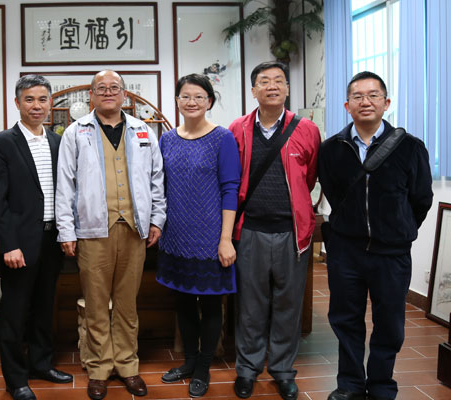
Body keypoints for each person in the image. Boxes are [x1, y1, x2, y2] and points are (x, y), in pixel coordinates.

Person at [318, 71, 433, 400]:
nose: (365, 102)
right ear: (347, 105)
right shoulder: (332, 149)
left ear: (386, 102)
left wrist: (398, 228)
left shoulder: (410, 148)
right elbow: (333, 194)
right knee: (345, 319)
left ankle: (382, 384)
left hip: (391, 252)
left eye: (373, 95)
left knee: (390, 323)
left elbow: (421, 199)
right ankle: (350, 384)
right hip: (346, 250)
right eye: (357, 96)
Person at [55, 70, 166, 400]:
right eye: (100, 88)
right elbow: (65, 185)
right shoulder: (76, 132)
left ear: (124, 95)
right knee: (96, 304)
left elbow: (156, 180)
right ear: (91, 95)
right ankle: (100, 368)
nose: (107, 92)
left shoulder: (143, 131)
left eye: (114, 88)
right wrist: (66, 230)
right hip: (92, 232)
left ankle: (128, 365)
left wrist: (157, 219)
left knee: (128, 304)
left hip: (134, 230)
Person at [229, 61, 320, 400]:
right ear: (253, 90)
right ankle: (247, 369)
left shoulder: (306, 129)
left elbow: (310, 176)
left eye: (279, 81)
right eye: (264, 81)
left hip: (291, 233)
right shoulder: (237, 128)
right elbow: (231, 179)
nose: (272, 86)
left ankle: (282, 371)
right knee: (250, 306)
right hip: (249, 231)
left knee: (288, 305)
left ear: (287, 89)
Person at [0, 75, 73, 400]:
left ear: (50, 103)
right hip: (19, 244)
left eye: (42, 99)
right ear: (17, 103)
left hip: (52, 239)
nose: (36, 106)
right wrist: (8, 244)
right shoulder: (1, 143)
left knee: (44, 306)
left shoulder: (58, 141)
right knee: (14, 312)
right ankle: (15, 379)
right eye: (29, 99)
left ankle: (41, 364)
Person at [156, 73, 241, 398]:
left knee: (210, 304)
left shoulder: (222, 138)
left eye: (199, 97)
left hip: (210, 238)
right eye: (185, 97)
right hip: (175, 236)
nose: (191, 102)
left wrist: (225, 239)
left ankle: (204, 367)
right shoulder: (167, 139)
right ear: (177, 101)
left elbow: (230, 189)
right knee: (183, 303)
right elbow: (160, 186)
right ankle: (189, 361)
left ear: (209, 101)